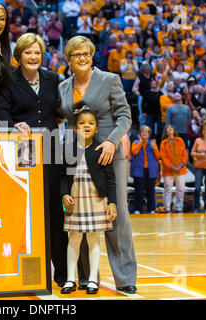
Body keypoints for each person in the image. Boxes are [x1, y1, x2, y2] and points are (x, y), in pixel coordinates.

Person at [58, 36, 137, 294]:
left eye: (86, 53)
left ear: (92, 56)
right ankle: (86, 277)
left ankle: (125, 277)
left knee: (117, 215)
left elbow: (125, 115)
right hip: (78, 158)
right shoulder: (63, 87)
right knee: (79, 217)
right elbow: (62, 120)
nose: (82, 58)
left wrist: (113, 142)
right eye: (76, 54)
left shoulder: (110, 80)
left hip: (109, 156)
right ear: (68, 58)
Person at [0, 33, 68, 287]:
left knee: (54, 214)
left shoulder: (52, 78)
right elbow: (1, 113)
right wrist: (14, 125)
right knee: (23, 212)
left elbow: (59, 110)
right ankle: (19, 271)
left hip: (50, 152)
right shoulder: (8, 81)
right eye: (28, 52)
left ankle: (62, 273)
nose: (33, 57)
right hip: (21, 154)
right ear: (19, 56)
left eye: (37, 52)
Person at [60, 102, 117, 295]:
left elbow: (111, 179)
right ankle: (70, 279)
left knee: (94, 239)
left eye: (91, 123)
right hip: (75, 199)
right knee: (73, 239)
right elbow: (62, 176)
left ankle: (93, 279)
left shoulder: (102, 149)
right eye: (82, 123)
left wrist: (112, 203)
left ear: (96, 128)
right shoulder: (69, 149)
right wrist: (64, 194)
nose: (86, 126)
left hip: (95, 200)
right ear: (76, 127)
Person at [130, 125, 160, 214]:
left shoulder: (152, 143)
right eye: (142, 132)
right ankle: (137, 209)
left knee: (151, 191)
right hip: (139, 170)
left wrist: (155, 148)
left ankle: (151, 209)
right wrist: (140, 142)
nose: (144, 133)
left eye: (146, 132)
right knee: (138, 191)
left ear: (149, 134)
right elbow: (134, 152)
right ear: (139, 134)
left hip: (151, 170)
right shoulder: (135, 142)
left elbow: (158, 156)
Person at [159, 125, 188, 213]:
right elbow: (163, 158)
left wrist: (181, 165)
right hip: (168, 170)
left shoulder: (180, 140)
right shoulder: (163, 143)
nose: (170, 128)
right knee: (167, 189)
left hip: (181, 169)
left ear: (174, 130)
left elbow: (184, 154)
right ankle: (167, 208)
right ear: (166, 131)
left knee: (180, 189)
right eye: (168, 128)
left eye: (171, 127)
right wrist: (172, 167)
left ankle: (179, 207)